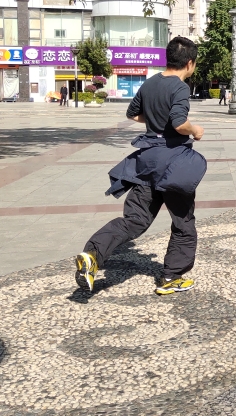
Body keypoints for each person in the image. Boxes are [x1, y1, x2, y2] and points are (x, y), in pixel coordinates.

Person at [74, 37, 207, 296]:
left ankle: (92, 254)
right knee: (183, 222)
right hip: (173, 162)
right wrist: (196, 130)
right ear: (190, 63)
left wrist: (157, 122)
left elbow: (132, 114)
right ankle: (171, 277)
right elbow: (180, 123)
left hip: (147, 161)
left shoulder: (150, 83)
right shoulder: (180, 88)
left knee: (135, 220)